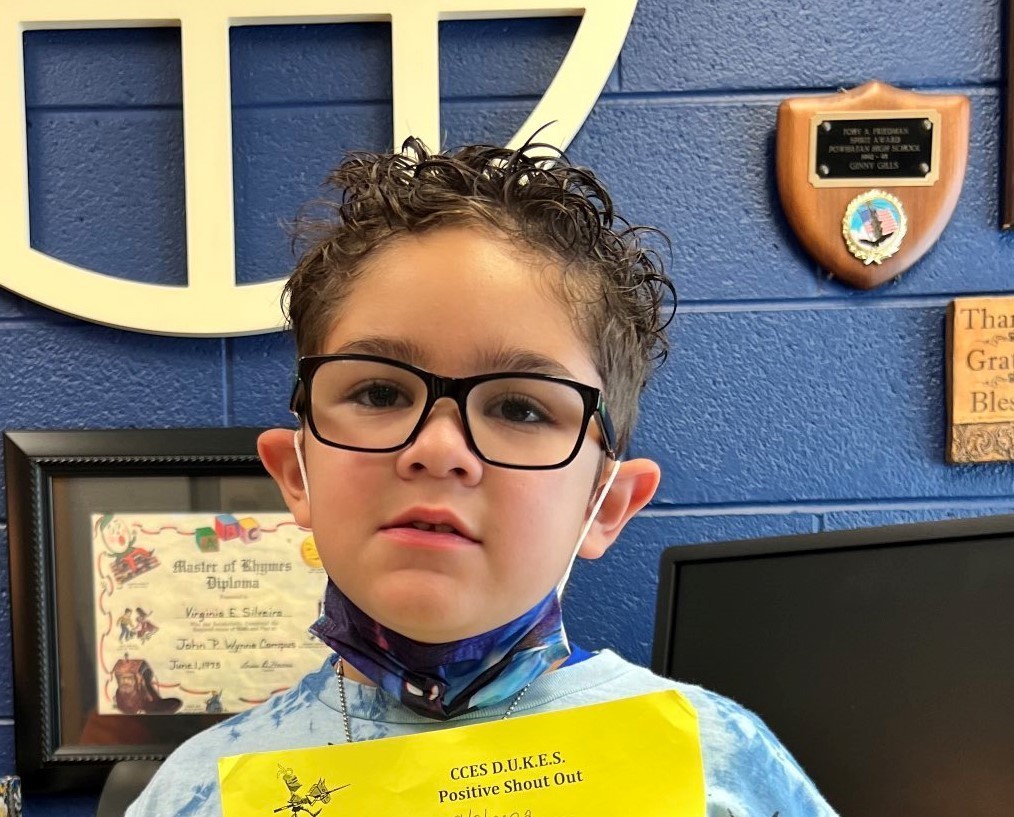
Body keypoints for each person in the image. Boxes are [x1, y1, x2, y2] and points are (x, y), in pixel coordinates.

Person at [125, 138, 837, 816]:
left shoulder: (716, 766)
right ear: (296, 475)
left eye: (520, 408)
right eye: (379, 392)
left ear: (604, 504)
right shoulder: (195, 794)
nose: (439, 448)